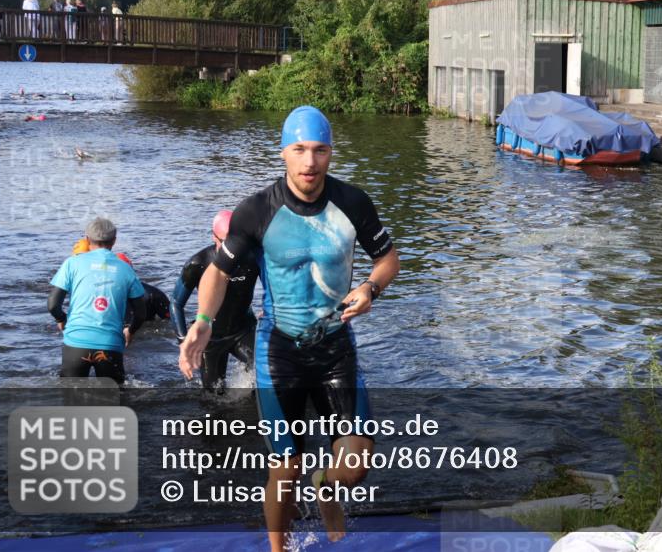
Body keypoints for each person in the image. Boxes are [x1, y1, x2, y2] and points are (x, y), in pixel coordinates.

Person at [179, 105, 399, 549]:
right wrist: (202, 322)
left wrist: (371, 288)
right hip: (279, 348)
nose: (309, 161)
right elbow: (218, 272)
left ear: (331, 153)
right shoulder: (258, 210)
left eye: (319, 150)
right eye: (299, 149)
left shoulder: (353, 202)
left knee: (357, 463)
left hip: (336, 342)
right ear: (283, 152)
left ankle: (327, 486)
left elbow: (388, 259)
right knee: (286, 466)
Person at [48, 218, 147, 384]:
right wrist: (131, 331)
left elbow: (52, 304)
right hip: (110, 345)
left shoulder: (72, 263)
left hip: (75, 344)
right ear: (114, 241)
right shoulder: (125, 268)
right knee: (114, 403)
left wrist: (61, 319)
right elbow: (141, 313)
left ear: (87, 240)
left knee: (70, 401)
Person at [171, 210, 259, 393]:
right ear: (214, 237)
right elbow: (176, 304)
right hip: (210, 337)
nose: (231, 250)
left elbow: (275, 283)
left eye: (236, 243)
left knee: (262, 372)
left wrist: (270, 308)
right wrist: (183, 340)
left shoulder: (253, 257)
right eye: (224, 243)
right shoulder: (198, 263)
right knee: (213, 395)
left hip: (243, 331)